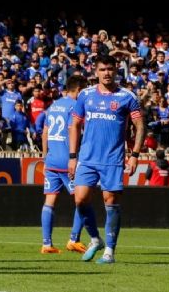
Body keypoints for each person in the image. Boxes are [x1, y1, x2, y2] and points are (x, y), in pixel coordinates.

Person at [69, 55, 145, 264]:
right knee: (80, 199)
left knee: (110, 202)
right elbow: (74, 125)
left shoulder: (127, 96)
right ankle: (95, 239)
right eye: (102, 69)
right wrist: (72, 157)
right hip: (87, 158)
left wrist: (135, 155)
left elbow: (140, 125)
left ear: (116, 71)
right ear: (96, 72)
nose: (107, 73)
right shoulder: (85, 95)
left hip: (112, 159)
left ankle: (109, 251)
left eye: (110, 69)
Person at [40, 75, 88, 254]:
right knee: (82, 199)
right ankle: (74, 239)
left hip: (51, 160)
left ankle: (46, 244)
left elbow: (44, 133)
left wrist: (45, 157)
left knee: (50, 201)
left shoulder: (53, 106)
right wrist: (73, 157)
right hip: (67, 160)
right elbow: (71, 128)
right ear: (79, 90)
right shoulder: (75, 106)